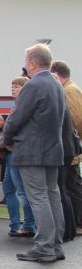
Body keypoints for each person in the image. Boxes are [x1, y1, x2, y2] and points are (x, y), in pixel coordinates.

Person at [3, 44, 73, 262]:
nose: (25, 64)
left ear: (32, 63)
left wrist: (5, 140)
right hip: (52, 148)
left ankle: (44, 246)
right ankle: (55, 245)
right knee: (52, 196)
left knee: (39, 197)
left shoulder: (34, 85)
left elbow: (16, 117)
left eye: (26, 61)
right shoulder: (56, 84)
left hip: (32, 150)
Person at [0, 78, 35, 238]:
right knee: (10, 189)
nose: (13, 89)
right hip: (11, 153)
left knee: (22, 192)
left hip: (17, 153)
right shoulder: (18, 106)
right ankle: (15, 224)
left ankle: (28, 226)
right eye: (12, 86)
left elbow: (13, 129)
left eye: (16, 86)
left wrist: (2, 145)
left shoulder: (23, 107)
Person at [50, 61, 82, 235]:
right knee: (69, 185)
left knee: (72, 186)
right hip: (70, 146)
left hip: (70, 147)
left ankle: (78, 222)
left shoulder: (69, 91)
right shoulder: (69, 89)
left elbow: (76, 119)